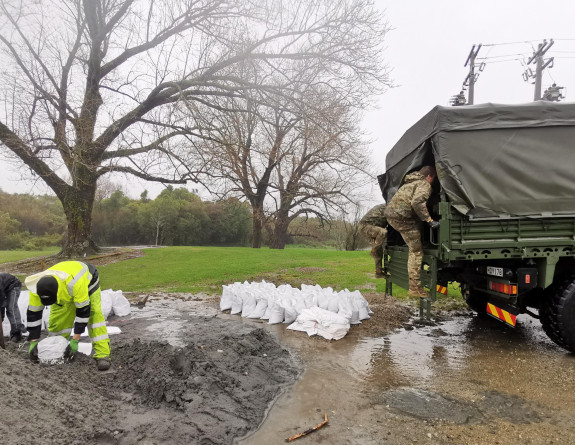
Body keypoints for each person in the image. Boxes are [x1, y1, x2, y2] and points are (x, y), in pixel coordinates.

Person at [24, 261, 111, 371]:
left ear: (57, 292)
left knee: (94, 316)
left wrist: (75, 339)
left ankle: (102, 354)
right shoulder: (36, 288)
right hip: (63, 290)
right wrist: (33, 341)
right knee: (58, 321)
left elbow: (83, 311)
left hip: (88, 283)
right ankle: (56, 352)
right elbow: (33, 314)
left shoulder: (76, 283)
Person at [384, 166, 439, 298]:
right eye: (434, 179)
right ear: (429, 176)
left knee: (414, 239)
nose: (433, 182)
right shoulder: (424, 184)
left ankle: (414, 285)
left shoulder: (410, 183)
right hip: (402, 218)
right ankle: (415, 287)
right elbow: (417, 202)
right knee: (416, 251)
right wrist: (429, 220)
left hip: (392, 216)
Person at [359, 204, 388, 278]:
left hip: (369, 227)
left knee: (379, 252)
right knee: (383, 232)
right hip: (366, 226)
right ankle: (374, 249)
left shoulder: (387, 206)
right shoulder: (387, 207)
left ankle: (378, 273)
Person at [0, 272, 26, 342]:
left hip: (13, 285)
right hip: (4, 288)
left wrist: (1, 316)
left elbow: (1, 299)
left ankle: (17, 333)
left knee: (11, 308)